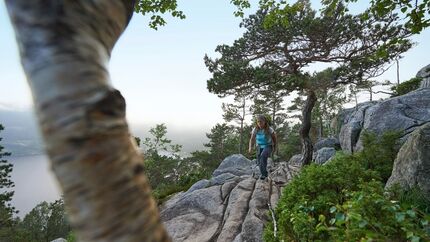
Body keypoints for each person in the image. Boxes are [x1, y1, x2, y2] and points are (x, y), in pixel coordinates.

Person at [248, 114, 277, 180]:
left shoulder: (269, 129)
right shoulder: (255, 129)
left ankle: (264, 175)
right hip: (259, 146)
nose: (259, 123)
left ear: (264, 122)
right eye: (258, 122)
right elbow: (252, 139)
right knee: (259, 162)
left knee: (263, 155)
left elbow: (274, 138)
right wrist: (250, 147)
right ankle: (264, 173)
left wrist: (275, 147)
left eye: (261, 122)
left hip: (268, 146)